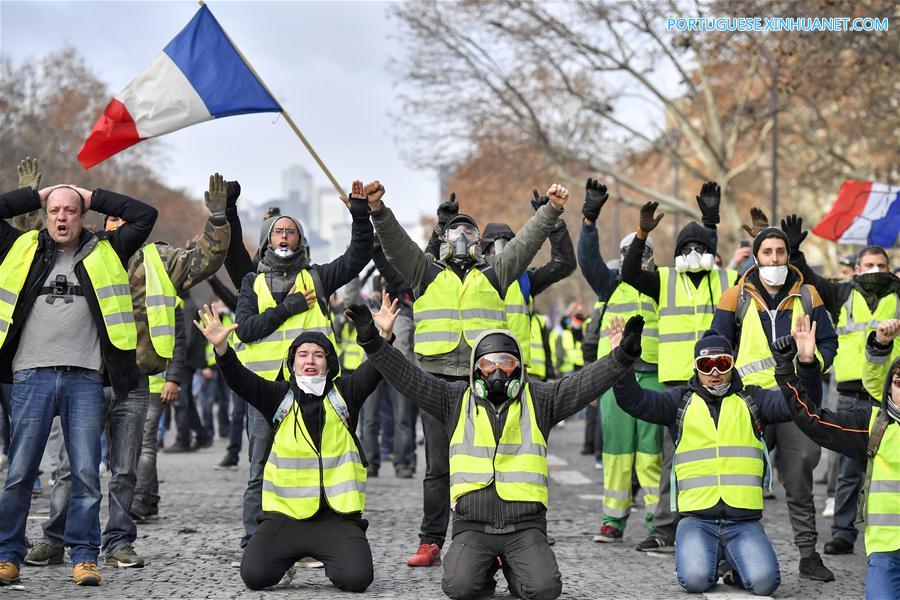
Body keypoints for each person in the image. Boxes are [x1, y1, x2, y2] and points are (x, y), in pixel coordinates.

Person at [349, 296, 644, 599]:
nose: (497, 372)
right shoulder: (453, 399)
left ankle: (514, 567)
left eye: (506, 363)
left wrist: (622, 356)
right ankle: (486, 567)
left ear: (519, 367)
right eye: (488, 365)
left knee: (543, 590)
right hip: (472, 527)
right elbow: (408, 377)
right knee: (458, 588)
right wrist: (373, 340)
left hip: (525, 528)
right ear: (476, 369)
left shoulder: (540, 400)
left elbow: (583, 385)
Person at [25, 173, 230, 569]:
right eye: (112, 219)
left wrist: (218, 220)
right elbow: (30, 251)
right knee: (70, 468)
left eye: (124, 217)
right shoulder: (85, 253)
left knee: (124, 469)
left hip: (134, 380)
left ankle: (118, 540)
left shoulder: (158, 259)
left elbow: (206, 257)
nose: (118, 224)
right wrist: (29, 207)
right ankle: (55, 537)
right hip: (86, 375)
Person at [365, 179, 568, 567]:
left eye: (469, 231)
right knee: (438, 466)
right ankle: (430, 541)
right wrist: (378, 210)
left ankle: (495, 541)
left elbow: (525, 243)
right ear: (442, 238)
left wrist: (550, 211)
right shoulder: (424, 271)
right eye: (455, 231)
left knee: (492, 461)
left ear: (480, 241)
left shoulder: (495, 272)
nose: (462, 237)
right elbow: (396, 243)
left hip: (485, 384)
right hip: (436, 382)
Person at [0, 161, 157, 586]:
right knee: (18, 473)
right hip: (30, 376)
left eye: (71, 210)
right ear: (46, 216)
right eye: (54, 211)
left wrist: (90, 194)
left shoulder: (108, 248)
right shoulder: (20, 247)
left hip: (85, 378)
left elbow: (146, 214)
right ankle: (7, 554)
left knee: (87, 473)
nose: (62, 217)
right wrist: (37, 194)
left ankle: (85, 556)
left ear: (82, 215)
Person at [195, 296, 399, 593]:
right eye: (303, 355)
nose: (310, 361)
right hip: (285, 518)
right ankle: (288, 558)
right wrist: (222, 349)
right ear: (293, 363)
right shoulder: (279, 396)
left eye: (318, 355)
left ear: (329, 362)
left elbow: (376, 368)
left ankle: (330, 557)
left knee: (356, 580)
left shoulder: (345, 394)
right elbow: (240, 380)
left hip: (335, 518)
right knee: (254, 576)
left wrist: (383, 337)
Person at [608, 315, 824, 596]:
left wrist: (806, 364)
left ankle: (733, 563)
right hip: (697, 521)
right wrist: (622, 361)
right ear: (696, 368)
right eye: (705, 365)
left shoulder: (753, 399)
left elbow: (802, 405)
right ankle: (706, 559)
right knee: (696, 580)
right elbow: (633, 401)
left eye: (722, 363)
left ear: (732, 363)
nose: (714, 371)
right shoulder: (679, 401)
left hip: (743, 523)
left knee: (765, 584)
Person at [229, 180, 374, 561]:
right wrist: (290, 306)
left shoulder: (319, 278)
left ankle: (318, 532)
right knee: (260, 463)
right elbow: (245, 329)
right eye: (278, 230)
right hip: (266, 391)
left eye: (291, 231)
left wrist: (359, 215)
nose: (284, 235)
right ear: (266, 240)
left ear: (300, 241)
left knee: (319, 461)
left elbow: (358, 255)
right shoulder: (251, 281)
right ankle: (255, 538)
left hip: (314, 391)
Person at [708, 223, 838, 581]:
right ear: (756, 256)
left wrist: (812, 361)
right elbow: (717, 344)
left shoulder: (809, 295)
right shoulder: (735, 296)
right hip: (750, 403)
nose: (775, 258)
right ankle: (729, 556)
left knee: (800, 479)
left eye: (780, 252)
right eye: (768, 252)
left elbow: (829, 344)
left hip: (796, 400)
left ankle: (808, 555)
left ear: (788, 255)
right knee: (742, 479)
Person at [620, 182, 736, 552]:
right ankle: (666, 528)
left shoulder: (725, 280)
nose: (693, 253)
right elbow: (629, 274)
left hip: (720, 380)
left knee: (723, 455)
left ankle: (722, 522)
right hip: (679, 385)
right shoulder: (664, 279)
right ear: (677, 254)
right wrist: (641, 236)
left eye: (700, 248)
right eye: (686, 248)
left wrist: (711, 223)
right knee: (674, 459)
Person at [783, 216, 900, 557]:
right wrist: (794, 251)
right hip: (850, 392)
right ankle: (843, 533)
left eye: (880, 264)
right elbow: (809, 279)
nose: (874, 269)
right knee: (849, 468)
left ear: (889, 267)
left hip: (891, 394)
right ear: (857, 268)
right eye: (868, 264)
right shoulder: (841, 292)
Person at [779, 318, 900, 599]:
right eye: (898, 381)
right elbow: (812, 421)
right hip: (887, 552)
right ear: (889, 389)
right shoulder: (873, 425)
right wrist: (790, 369)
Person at [579, 179, 664, 543]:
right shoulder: (609, 284)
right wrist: (588, 221)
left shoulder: (663, 284)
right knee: (615, 453)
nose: (639, 259)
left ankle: (654, 523)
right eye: (632, 252)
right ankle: (613, 521)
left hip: (653, 378)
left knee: (651, 456)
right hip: (614, 379)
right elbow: (588, 259)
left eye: (643, 253)